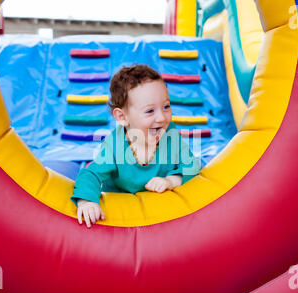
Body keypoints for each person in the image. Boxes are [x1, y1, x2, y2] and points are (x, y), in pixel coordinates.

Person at [71, 64, 201, 228]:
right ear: (123, 117)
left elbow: (191, 165)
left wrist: (171, 180)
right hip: (122, 212)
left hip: (158, 211)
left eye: (166, 106)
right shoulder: (115, 146)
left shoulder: (170, 135)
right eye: (149, 111)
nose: (161, 117)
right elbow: (91, 174)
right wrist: (86, 202)